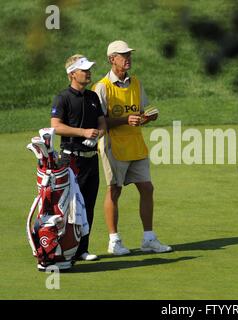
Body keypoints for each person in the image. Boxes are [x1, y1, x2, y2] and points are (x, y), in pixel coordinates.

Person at [93, 40, 172, 255]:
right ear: (112, 59)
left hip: (136, 145)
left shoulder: (136, 82)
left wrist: (148, 118)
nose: (127, 58)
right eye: (122, 55)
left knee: (147, 188)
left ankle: (149, 238)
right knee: (114, 190)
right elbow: (98, 122)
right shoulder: (102, 87)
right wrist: (125, 120)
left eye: (129, 54)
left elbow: (138, 115)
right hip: (113, 146)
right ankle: (114, 241)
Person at [51, 54, 106, 261]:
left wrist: (97, 136)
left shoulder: (92, 97)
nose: (89, 72)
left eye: (89, 69)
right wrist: (83, 133)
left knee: (88, 204)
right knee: (70, 205)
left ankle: (82, 249)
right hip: (71, 159)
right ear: (72, 74)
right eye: (84, 70)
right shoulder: (63, 97)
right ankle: (65, 249)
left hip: (91, 159)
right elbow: (56, 126)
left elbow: (102, 124)